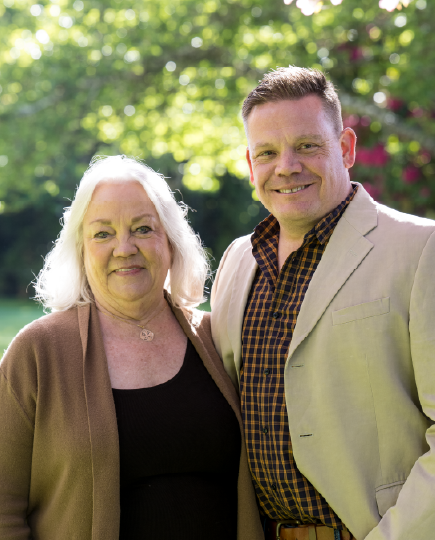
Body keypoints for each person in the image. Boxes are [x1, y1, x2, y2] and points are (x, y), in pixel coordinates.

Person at [210, 66, 435, 540]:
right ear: (251, 167)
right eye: (266, 153)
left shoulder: (421, 250)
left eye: (307, 145)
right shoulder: (235, 262)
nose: (286, 166)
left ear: (347, 149)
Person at [0, 155, 264, 540]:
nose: (124, 248)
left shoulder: (217, 338)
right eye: (103, 234)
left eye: (142, 229)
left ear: (171, 242)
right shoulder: (37, 353)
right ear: (81, 250)